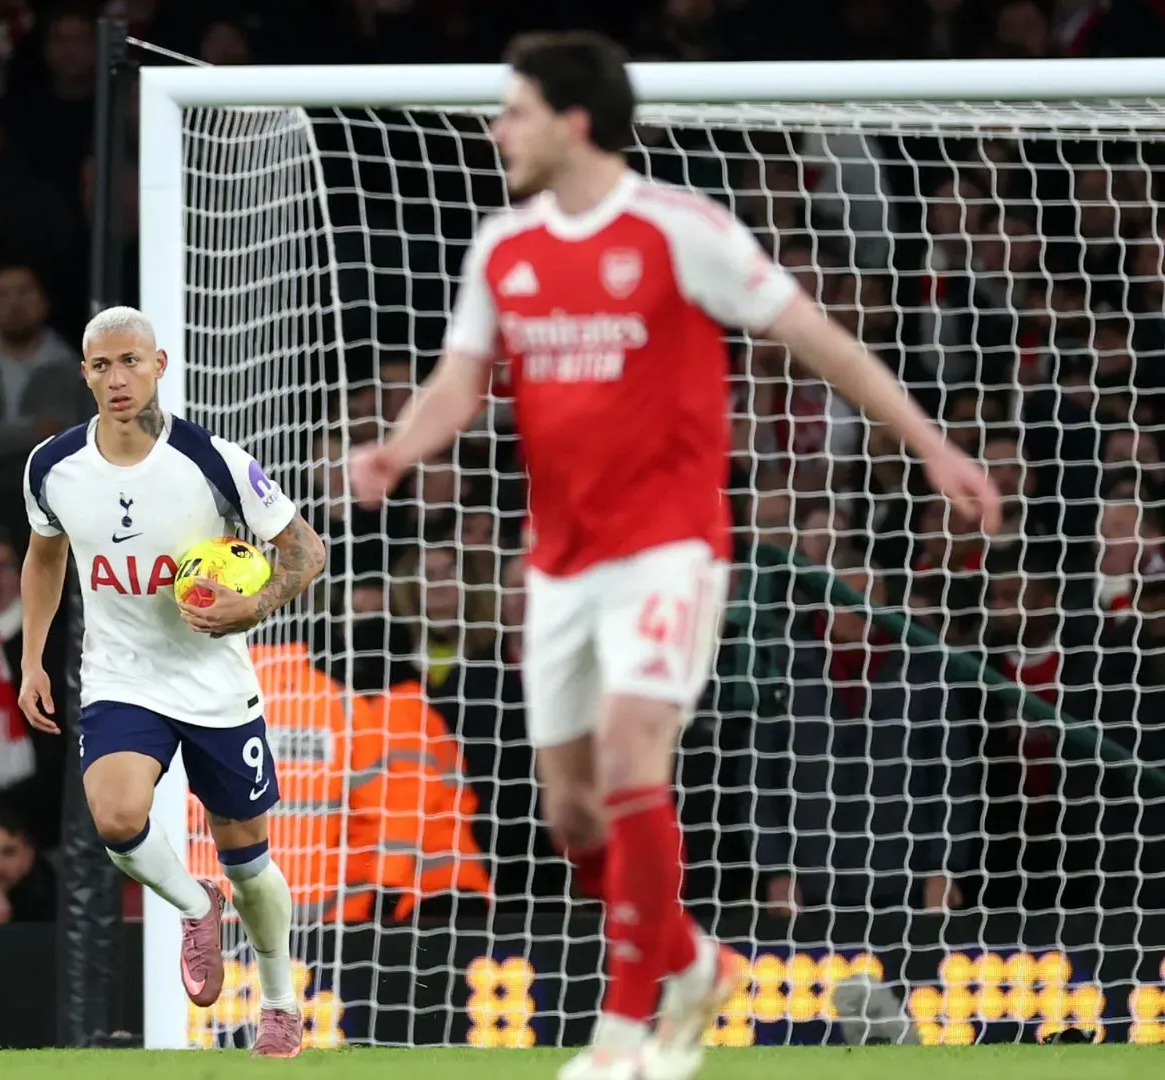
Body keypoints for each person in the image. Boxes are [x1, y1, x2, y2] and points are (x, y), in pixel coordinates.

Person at [346, 32, 1002, 1080]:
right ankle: (694, 963)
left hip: (670, 552)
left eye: (512, 110)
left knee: (626, 761)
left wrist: (932, 447)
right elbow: (459, 383)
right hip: (557, 563)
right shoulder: (500, 248)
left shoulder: (680, 231)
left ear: (572, 121)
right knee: (568, 813)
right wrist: (397, 449)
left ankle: (624, 1036)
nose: (494, 129)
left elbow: (820, 341)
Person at [16, 306, 328, 1058]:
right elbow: (44, 556)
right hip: (122, 675)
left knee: (248, 856)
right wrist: (31, 659)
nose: (117, 378)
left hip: (214, 680)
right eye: (101, 366)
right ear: (85, 373)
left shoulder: (213, 459)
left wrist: (250, 606)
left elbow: (305, 551)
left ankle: (281, 1005)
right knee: (118, 818)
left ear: (159, 364)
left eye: (130, 362)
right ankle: (195, 906)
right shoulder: (52, 466)